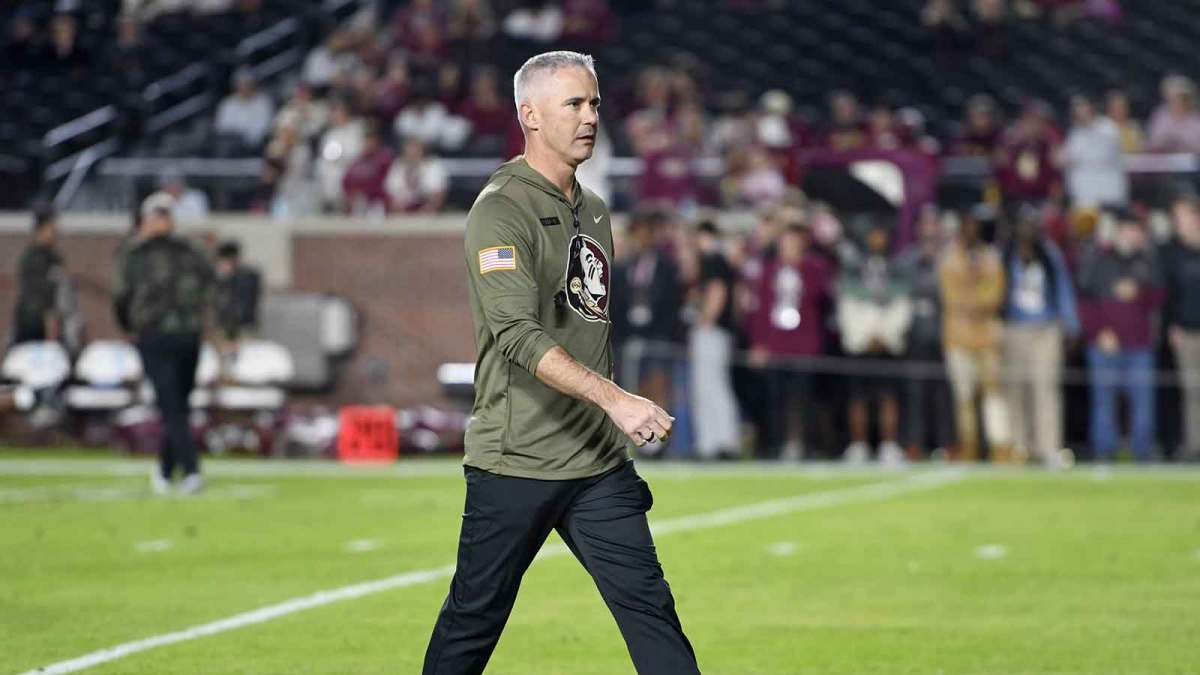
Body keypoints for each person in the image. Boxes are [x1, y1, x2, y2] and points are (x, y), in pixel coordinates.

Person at [422, 51, 698, 675]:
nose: (590, 116)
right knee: (473, 622)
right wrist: (616, 399)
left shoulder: (595, 208)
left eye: (595, 102)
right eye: (574, 104)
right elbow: (517, 335)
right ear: (531, 116)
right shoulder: (500, 209)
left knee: (652, 612)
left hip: (596, 464)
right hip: (516, 459)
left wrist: (607, 413)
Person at [115, 192, 215, 495]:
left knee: (177, 406)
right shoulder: (137, 253)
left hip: (182, 335)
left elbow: (211, 282)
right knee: (172, 405)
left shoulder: (184, 249)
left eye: (164, 215)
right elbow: (121, 296)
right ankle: (181, 469)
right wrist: (130, 327)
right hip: (157, 335)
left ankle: (175, 469)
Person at [1078, 208, 1164, 461]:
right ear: (1118, 231)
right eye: (1129, 229)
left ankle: (1142, 452)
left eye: (1138, 230)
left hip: (1138, 344)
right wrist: (1098, 332)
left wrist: (1140, 291)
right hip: (1104, 344)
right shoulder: (1098, 258)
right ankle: (1104, 451)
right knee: (1104, 403)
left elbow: (1159, 300)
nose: (1133, 235)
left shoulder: (1148, 261)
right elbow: (1085, 302)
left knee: (1143, 404)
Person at [745, 223, 834, 460]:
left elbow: (821, 296)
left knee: (804, 397)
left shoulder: (813, 268)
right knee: (775, 398)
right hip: (775, 343)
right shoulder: (768, 270)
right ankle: (775, 445)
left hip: (804, 343)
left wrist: (801, 268)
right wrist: (759, 343)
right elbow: (760, 310)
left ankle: (804, 445)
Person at [1002, 206, 1080, 468]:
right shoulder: (1006, 254)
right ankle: (1019, 445)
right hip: (1014, 328)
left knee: (1046, 387)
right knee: (1015, 389)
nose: (1027, 230)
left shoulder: (1049, 254)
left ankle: (1048, 446)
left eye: (1031, 224)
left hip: (1045, 328)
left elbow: (1063, 288)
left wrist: (1070, 325)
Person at [939, 208, 1012, 462]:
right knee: (964, 397)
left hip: (988, 337)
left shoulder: (991, 258)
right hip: (958, 337)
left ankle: (1000, 448)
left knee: (994, 394)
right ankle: (968, 447)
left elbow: (996, 295)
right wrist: (975, 297)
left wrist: (973, 299)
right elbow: (951, 297)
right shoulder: (949, 258)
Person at [836, 223, 912, 464]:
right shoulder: (854, 268)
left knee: (888, 396)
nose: (877, 238)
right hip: (860, 342)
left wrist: (886, 335)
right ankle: (859, 445)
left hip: (887, 344)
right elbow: (847, 303)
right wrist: (862, 336)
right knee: (857, 397)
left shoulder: (896, 268)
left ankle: (888, 444)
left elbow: (902, 303)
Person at [688, 220, 741, 460]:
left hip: (712, 331)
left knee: (711, 386)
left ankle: (721, 441)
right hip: (719, 331)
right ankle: (714, 442)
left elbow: (718, 291)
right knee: (711, 386)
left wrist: (705, 320)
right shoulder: (719, 259)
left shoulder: (712, 259)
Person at [1162, 195, 1200, 461]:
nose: (1178, 223)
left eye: (1182, 217)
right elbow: (1170, 294)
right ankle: (1194, 445)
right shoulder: (1174, 253)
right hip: (1186, 331)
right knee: (1191, 392)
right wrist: (1173, 324)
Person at [1060, 95, 1127, 209]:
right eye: (1077, 109)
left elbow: (1104, 156)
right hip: (1084, 196)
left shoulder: (1108, 128)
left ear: (1091, 108)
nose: (1080, 112)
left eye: (1083, 107)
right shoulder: (1075, 134)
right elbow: (1065, 158)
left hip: (1109, 193)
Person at [12, 206, 64, 345]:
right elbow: (37, 293)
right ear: (40, 230)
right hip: (33, 324)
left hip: (51, 323)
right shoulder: (33, 258)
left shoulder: (53, 257)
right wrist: (49, 320)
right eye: (51, 228)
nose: (55, 232)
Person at [213, 240, 261, 342]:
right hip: (223, 326)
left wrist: (225, 277)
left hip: (242, 326)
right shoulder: (250, 275)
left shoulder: (248, 277)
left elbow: (247, 300)